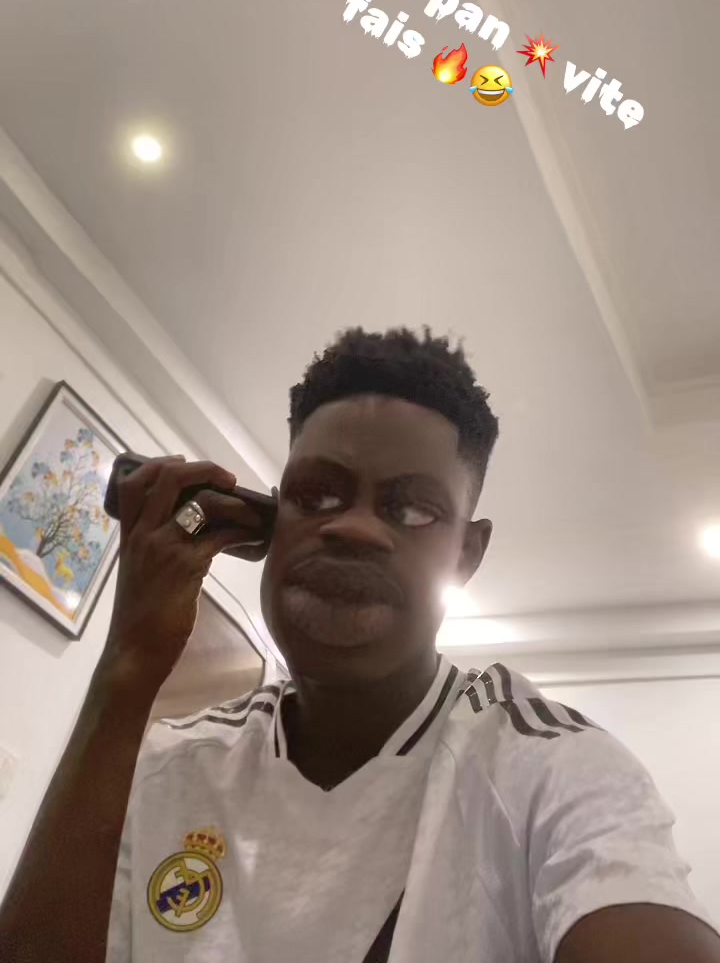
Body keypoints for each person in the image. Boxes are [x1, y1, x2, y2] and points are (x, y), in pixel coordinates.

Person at [2, 327, 719, 963]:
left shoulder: (548, 766)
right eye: (315, 496)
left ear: (466, 555)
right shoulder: (167, 764)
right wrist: (127, 669)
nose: (353, 528)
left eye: (414, 509)